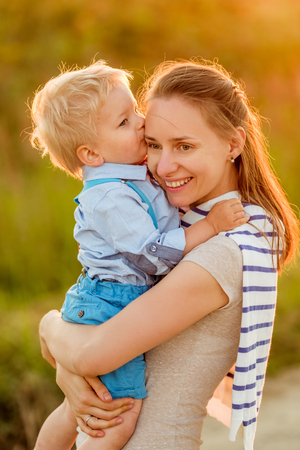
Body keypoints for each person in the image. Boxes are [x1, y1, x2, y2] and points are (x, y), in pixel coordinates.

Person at [38, 60, 299, 450]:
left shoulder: (228, 248)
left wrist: (48, 327)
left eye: (185, 146)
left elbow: (93, 354)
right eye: (154, 144)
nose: (163, 165)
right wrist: (68, 370)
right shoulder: (172, 221)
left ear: (233, 144)